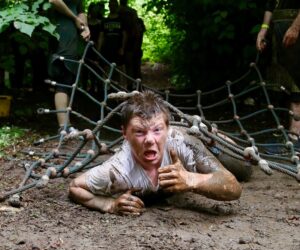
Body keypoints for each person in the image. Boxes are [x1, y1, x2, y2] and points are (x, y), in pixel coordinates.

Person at [69, 91, 243, 216]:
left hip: (198, 138)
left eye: (157, 130)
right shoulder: (118, 169)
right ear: (125, 134)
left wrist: (190, 179)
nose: (150, 140)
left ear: (167, 129)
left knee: (244, 167)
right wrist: (109, 205)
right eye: (139, 132)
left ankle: (214, 136)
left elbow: (233, 188)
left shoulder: (181, 142)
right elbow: (75, 187)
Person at [256, 0, 300, 144]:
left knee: (297, 85)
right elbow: (270, 4)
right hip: (282, 29)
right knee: (286, 82)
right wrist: (264, 29)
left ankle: (295, 134)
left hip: (295, 26)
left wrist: (296, 26)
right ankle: (293, 135)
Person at [48, 0, 90, 131]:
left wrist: (85, 27)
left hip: (73, 37)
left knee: (70, 78)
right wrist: (75, 18)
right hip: (60, 31)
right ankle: (63, 127)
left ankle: (67, 125)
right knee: (63, 78)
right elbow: (54, 1)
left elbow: (80, 10)